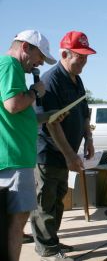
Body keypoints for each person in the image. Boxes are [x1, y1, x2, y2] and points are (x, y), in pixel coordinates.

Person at [30, 31, 96, 261]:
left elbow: (83, 111)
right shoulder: (51, 80)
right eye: (81, 56)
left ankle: (52, 242)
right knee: (44, 202)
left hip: (65, 152)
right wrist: (69, 155)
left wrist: (88, 138)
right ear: (65, 54)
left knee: (57, 199)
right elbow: (52, 123)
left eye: (87, 56)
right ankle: (46, 248)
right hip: (48, 152)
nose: (84, 61)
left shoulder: (76, 79)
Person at [0, 30, 57, 261]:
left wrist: (49, 116)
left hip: (16, 157)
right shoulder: (9, 64)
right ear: (25, 47)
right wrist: (35, 91)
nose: (40, 63)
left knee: (13, 221)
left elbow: (17, 115)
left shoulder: (10, 69)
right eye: (40, 56)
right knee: (16, 222)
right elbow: (13, 105)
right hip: (13, 159)